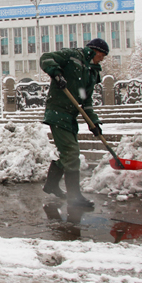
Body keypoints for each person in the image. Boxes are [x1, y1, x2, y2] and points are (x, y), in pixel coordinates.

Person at [39, 38, 109, 208]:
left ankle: (51, 185)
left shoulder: (92, 73)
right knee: (71, 153)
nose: (103, 58)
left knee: (67, 154)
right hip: (57, 112)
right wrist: (56, 73)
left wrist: (94, 122)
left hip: (70, 117)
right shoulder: (72, 56)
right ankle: (74, 198)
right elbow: (46, 58)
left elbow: (86, 101)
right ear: (94, 50)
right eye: (102, 54)